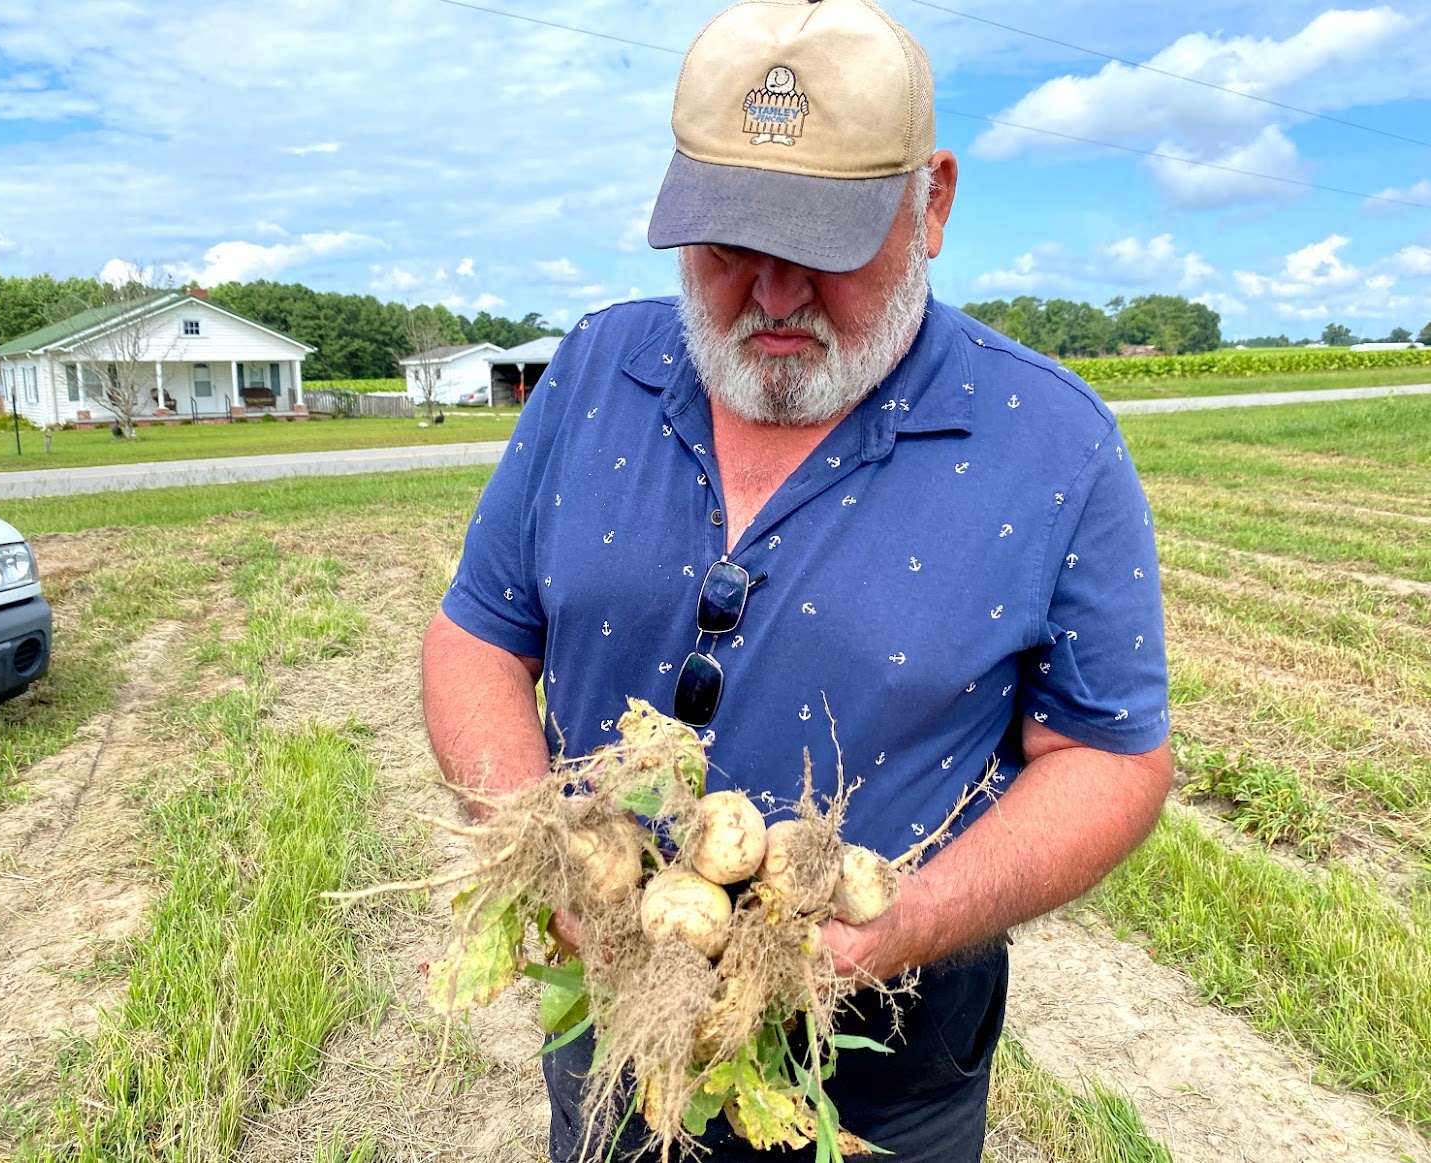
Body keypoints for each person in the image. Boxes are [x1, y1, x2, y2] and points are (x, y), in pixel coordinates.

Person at [421, 0, 1173, 1158]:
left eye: (825, 248)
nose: (773, 295)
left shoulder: (1052, 444)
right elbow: (478, 633)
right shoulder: (593, 371)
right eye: (728, 246)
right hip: (619, 1028)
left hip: (879, 1083)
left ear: (932, 204)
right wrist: (544, 845)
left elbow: (1112, 758)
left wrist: (908, 919)